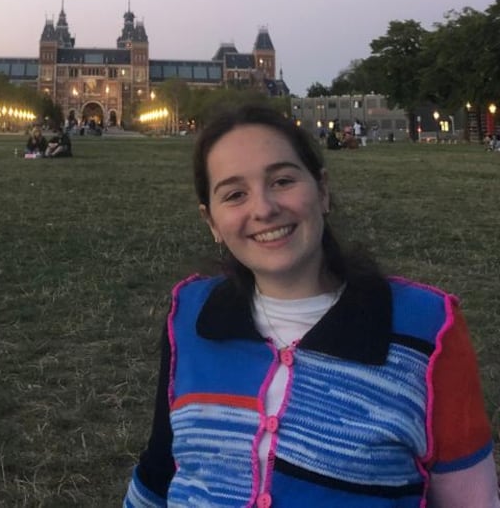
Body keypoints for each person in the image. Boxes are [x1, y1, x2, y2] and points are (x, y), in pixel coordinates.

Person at [124, 102, 499, 508]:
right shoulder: (192, 314)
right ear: (212, 221)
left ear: (322, 191)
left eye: (282, 181)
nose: (264, 209)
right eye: (235, 194)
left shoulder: (426, 329)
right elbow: (160, 469)